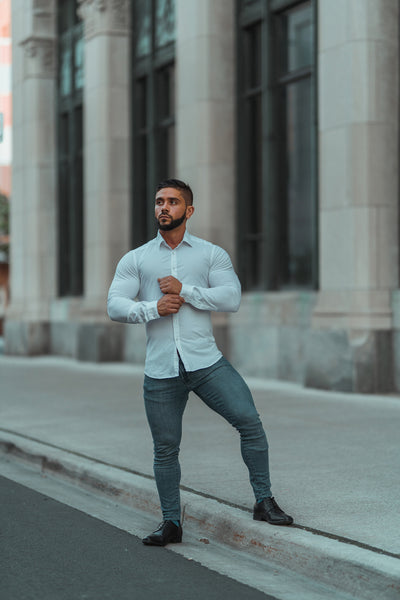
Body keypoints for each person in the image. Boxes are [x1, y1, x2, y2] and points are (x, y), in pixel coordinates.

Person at [107, 179, 293, 546]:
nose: (164, 208)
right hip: (160, 370)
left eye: (173, 202)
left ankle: (263, 499)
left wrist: (185, 291)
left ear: (188, 211)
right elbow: (115, 304)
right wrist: (152, 308)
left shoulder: (210, 254)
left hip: (207, 363)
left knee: (250, 423)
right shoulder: (137, 258)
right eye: (159, 201)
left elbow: (231, 298)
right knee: (165, 448)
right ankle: (171, 523)